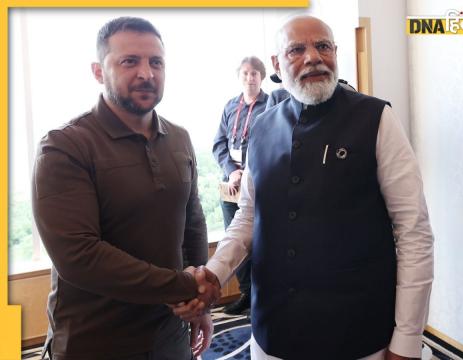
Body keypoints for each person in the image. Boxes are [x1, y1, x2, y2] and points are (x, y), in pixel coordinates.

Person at [175, 15, 434, 360]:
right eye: (296, 49)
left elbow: (413, 232)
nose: (313, 56)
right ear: (276, 64)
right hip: (274, 329)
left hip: (358, 330)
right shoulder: (263, 126)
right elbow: (249, 215)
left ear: (335, 53)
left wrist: (407, 339)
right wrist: (214, 272)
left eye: (323, 46)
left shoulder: (376, 119)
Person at [32, 17, 219, 360]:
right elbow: (79, 255)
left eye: (156, 62)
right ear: (98, 71)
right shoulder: (64, 146)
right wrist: (185, 287)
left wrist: (199, 305)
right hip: (95, 341)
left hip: (169, 335)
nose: (147, 73)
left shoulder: (180, 137)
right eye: (130, 61)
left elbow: (191, 222)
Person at [212, 56, 269, 315]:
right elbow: (219, 145)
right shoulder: (230, 107)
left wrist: (246, 173)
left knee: (259, 240)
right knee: (233, 237)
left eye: (255, 73)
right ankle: (246, 293)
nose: (250, 77)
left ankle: (263, 294)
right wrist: (232, 171)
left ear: (262, 76)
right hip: (231, 185)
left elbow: (272, 143)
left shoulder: (271, 106)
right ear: (239, 77)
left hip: (257, 183)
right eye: (246, 73)